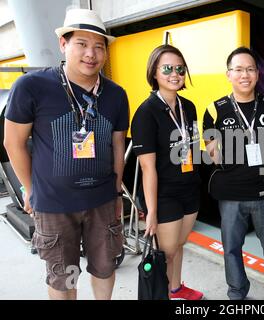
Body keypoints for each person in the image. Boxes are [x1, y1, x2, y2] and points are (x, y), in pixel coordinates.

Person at [3, 8, 129, 300]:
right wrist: (31, 190)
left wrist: (116, 193)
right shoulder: (32, 86)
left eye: (99, 46)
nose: (91, 54)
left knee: (105, 267)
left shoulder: (115, 94)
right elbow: (13, 143)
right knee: (64, 277)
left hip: (102, 202)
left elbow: (118, 144)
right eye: (82, 44)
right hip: (54, 205)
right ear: (63, 44)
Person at [203, 46, 264, 300]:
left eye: (249, 69)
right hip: (231, 196)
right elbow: (213, 154)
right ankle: (236, 292)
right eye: (238, 69)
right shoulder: (215, 109)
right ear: (228, 74)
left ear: (257, 74)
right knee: (232, 249)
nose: (244, 75)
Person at [131, 44, 203, 300]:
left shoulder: (189, 106)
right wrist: (151, 212)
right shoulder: (145, 113)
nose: (175, 74)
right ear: (154, 72)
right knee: (167, 252)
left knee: (179, 245)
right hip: (164, 194)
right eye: (168, 68)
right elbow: (147, 167)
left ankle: (176, 288)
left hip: (189, 188)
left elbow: (192, 148)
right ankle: (162, 295)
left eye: (180, 68)